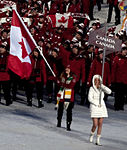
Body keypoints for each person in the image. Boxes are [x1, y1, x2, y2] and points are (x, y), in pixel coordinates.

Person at [88, 75, 111, 145]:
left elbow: (109, 92)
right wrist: (96, 103)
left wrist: (103, 86)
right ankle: (92, 134)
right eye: (95, 80)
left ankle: (98, 140)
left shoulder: (101, 88)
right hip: (95, 107)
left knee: (100, 124)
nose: (97, 81)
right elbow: (90, 98)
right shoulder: (91, 88)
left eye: (98, 80)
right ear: (93, 81)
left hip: (101, 107)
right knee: (95, 124)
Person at [56, 65, 77, 131]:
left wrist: (62, 84)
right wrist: (57, 81)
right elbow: (59, 83)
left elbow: (70, 86)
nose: (67, 69)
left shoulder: (73, 77)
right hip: (62, 95)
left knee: (69, 111)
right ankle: (59, 122)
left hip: (70, 97)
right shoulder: (62, 76)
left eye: (68, 68)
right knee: (60, 110)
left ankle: (68, 124)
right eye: (66, 68)